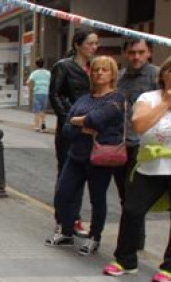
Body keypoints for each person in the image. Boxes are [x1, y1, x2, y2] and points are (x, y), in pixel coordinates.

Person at [104, 53, 171, 282]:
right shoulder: (148, 98)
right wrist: (166, 103)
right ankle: (125, 260)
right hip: (151, 166)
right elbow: (140, 126)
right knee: (132, 209)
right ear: (163, 74)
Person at [45, 56, 126, 256]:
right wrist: (83, 125)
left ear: (112, 74)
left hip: (99, 158)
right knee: (64, 194)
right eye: (96, 69)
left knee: (97, 199)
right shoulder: (84, 98)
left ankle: (94, 237)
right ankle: (66, 231)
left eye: (104, 70)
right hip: (76, 155)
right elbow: (67, 128)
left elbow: (97, 119)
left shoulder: (116, 98)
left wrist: (79, 122)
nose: (99, 73)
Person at [49, 28, 99, 236]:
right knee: (67, 175)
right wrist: (69, 119)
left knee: (84, 174)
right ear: (78, 44)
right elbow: (55, 95)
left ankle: (76, 218)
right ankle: (63, 218)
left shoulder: (95, 68)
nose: (94, 48)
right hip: (70, 129)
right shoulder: (63, 67)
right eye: (90, 43)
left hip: (91, 128)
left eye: (96, 44)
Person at [115, 38, 160, 251]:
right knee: (126, 197)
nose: (136, 57)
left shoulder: (158, 76)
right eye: (132, 52)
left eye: (141, 52)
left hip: (145, 147)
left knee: (136, 199)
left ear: (149, 52)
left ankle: (133, 242)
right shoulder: (120, 77)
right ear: (125, 53)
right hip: (120, 145)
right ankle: (132, 240)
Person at [27, 58, 51, 132]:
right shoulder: (48, 73)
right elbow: (52, 81)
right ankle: (43, 125)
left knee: (37, 111)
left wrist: (31, 88)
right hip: (45, 92)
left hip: (37, 93)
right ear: (44, 64)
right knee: (43, 110)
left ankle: (37, 126)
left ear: (36, 64)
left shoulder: (34, 73)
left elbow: (28, 82)